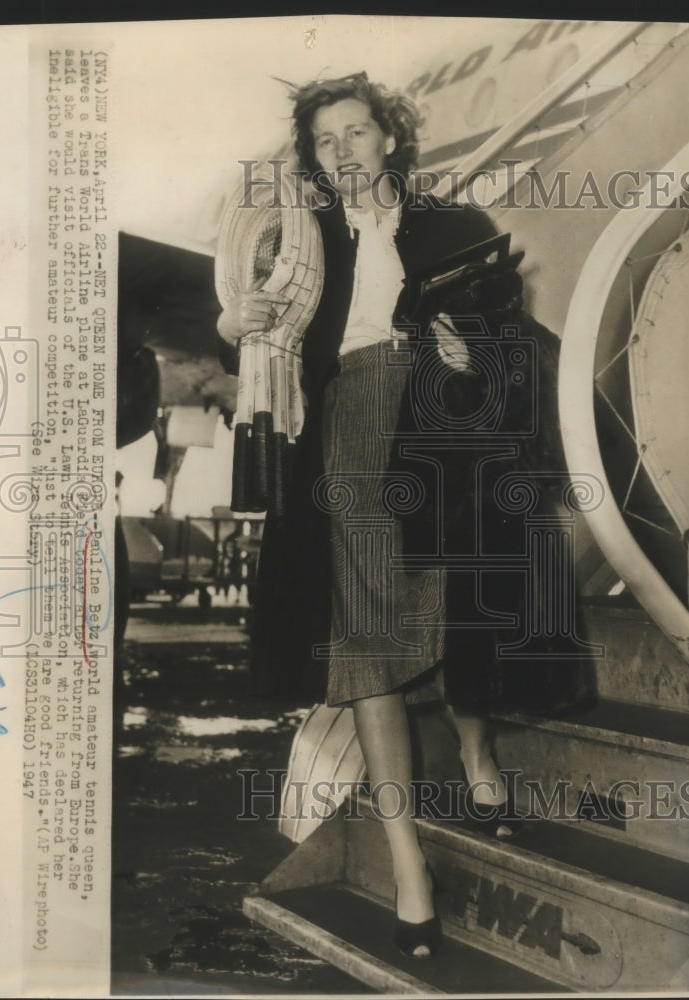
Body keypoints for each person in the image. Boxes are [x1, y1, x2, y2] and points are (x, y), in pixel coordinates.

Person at [216, 71, 531, 958]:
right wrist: (235, 318)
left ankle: (477, 753)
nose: (343, 149)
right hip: (350, 419)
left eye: (357, 132)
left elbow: (508, 351)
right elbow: (249, 321)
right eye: (326, 140)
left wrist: (474, 352)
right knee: (364, 641)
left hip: (442, 414)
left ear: (389, 138)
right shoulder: (302, 239)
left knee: (460, 597)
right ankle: (408, 867)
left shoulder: (452, 226)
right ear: (312, 156)